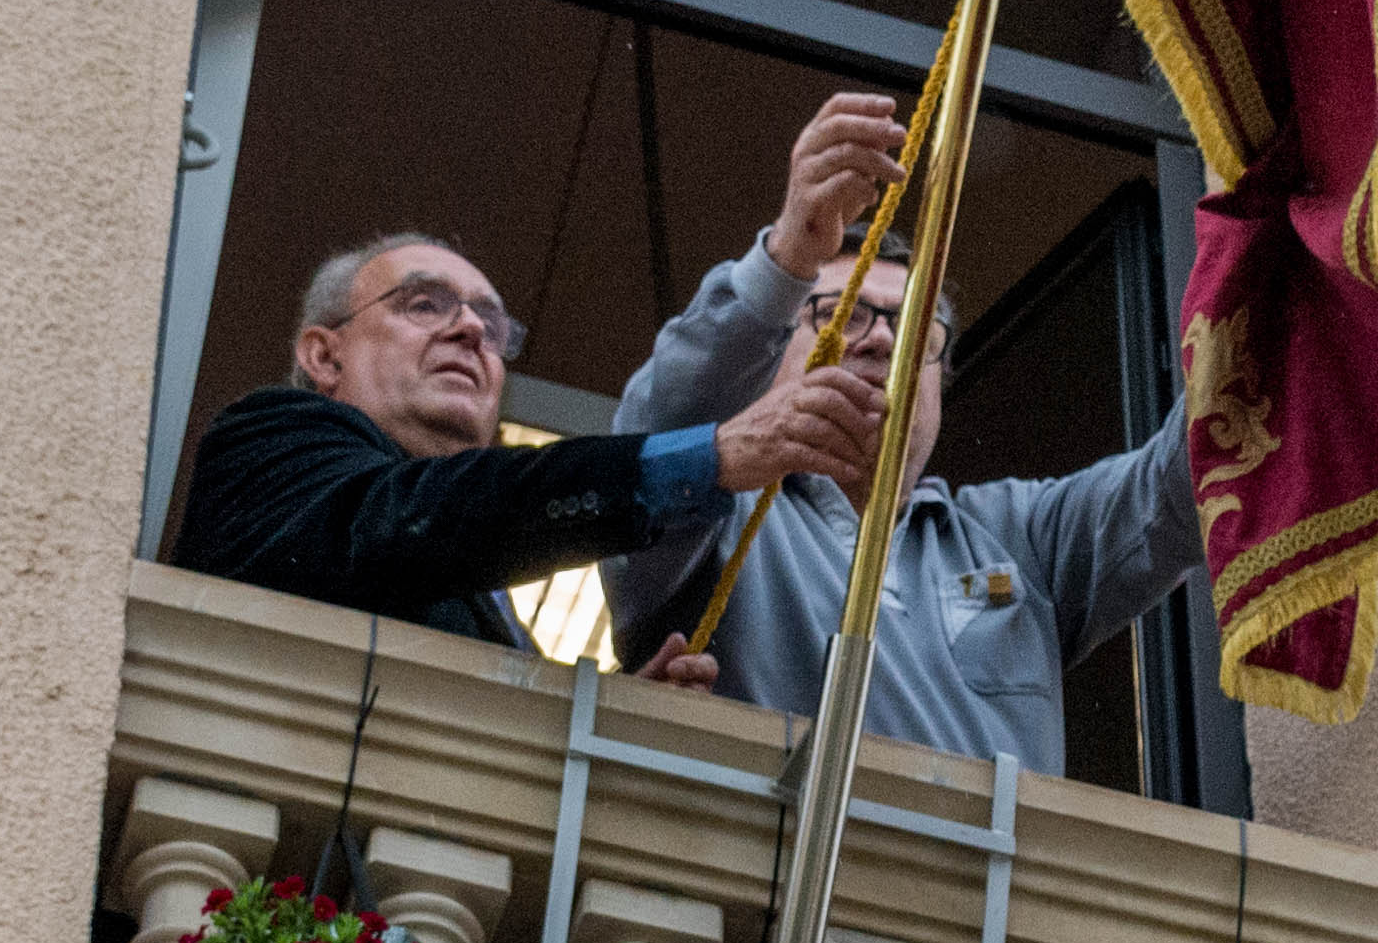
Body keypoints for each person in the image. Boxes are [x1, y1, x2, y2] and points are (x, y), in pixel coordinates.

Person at [607, 92, 1200, 778]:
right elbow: (646, 452)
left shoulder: (1019, 539)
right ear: (769, 354)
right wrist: (787, 255)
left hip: (980, 884)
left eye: (912, 328)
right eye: (842, 314)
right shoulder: (717, 514)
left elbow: (1180, 487)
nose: (884, 338)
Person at [176, 231, 877, 647]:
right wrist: (709, 456)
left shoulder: (491, 593)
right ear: (324, 357)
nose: (472, 331)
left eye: (491, 323)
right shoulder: (266, 438)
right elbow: (418, 518)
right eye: (426, 304)